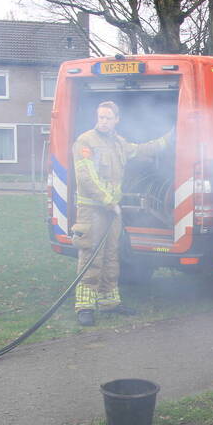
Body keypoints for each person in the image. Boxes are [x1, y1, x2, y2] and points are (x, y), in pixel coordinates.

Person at [71, 100, 173, 327]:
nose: (103, 122)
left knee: (111, 256)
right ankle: (85, 306)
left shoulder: (118, 143)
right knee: (91, 257)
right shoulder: (85, 141)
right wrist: (108, 201)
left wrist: (168, 139)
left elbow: (141, 149)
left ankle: (109, 302)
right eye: (100, 117)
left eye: (108, 118)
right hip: (92, 211)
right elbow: (86, 177)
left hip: (110, 212)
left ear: (117, 120)